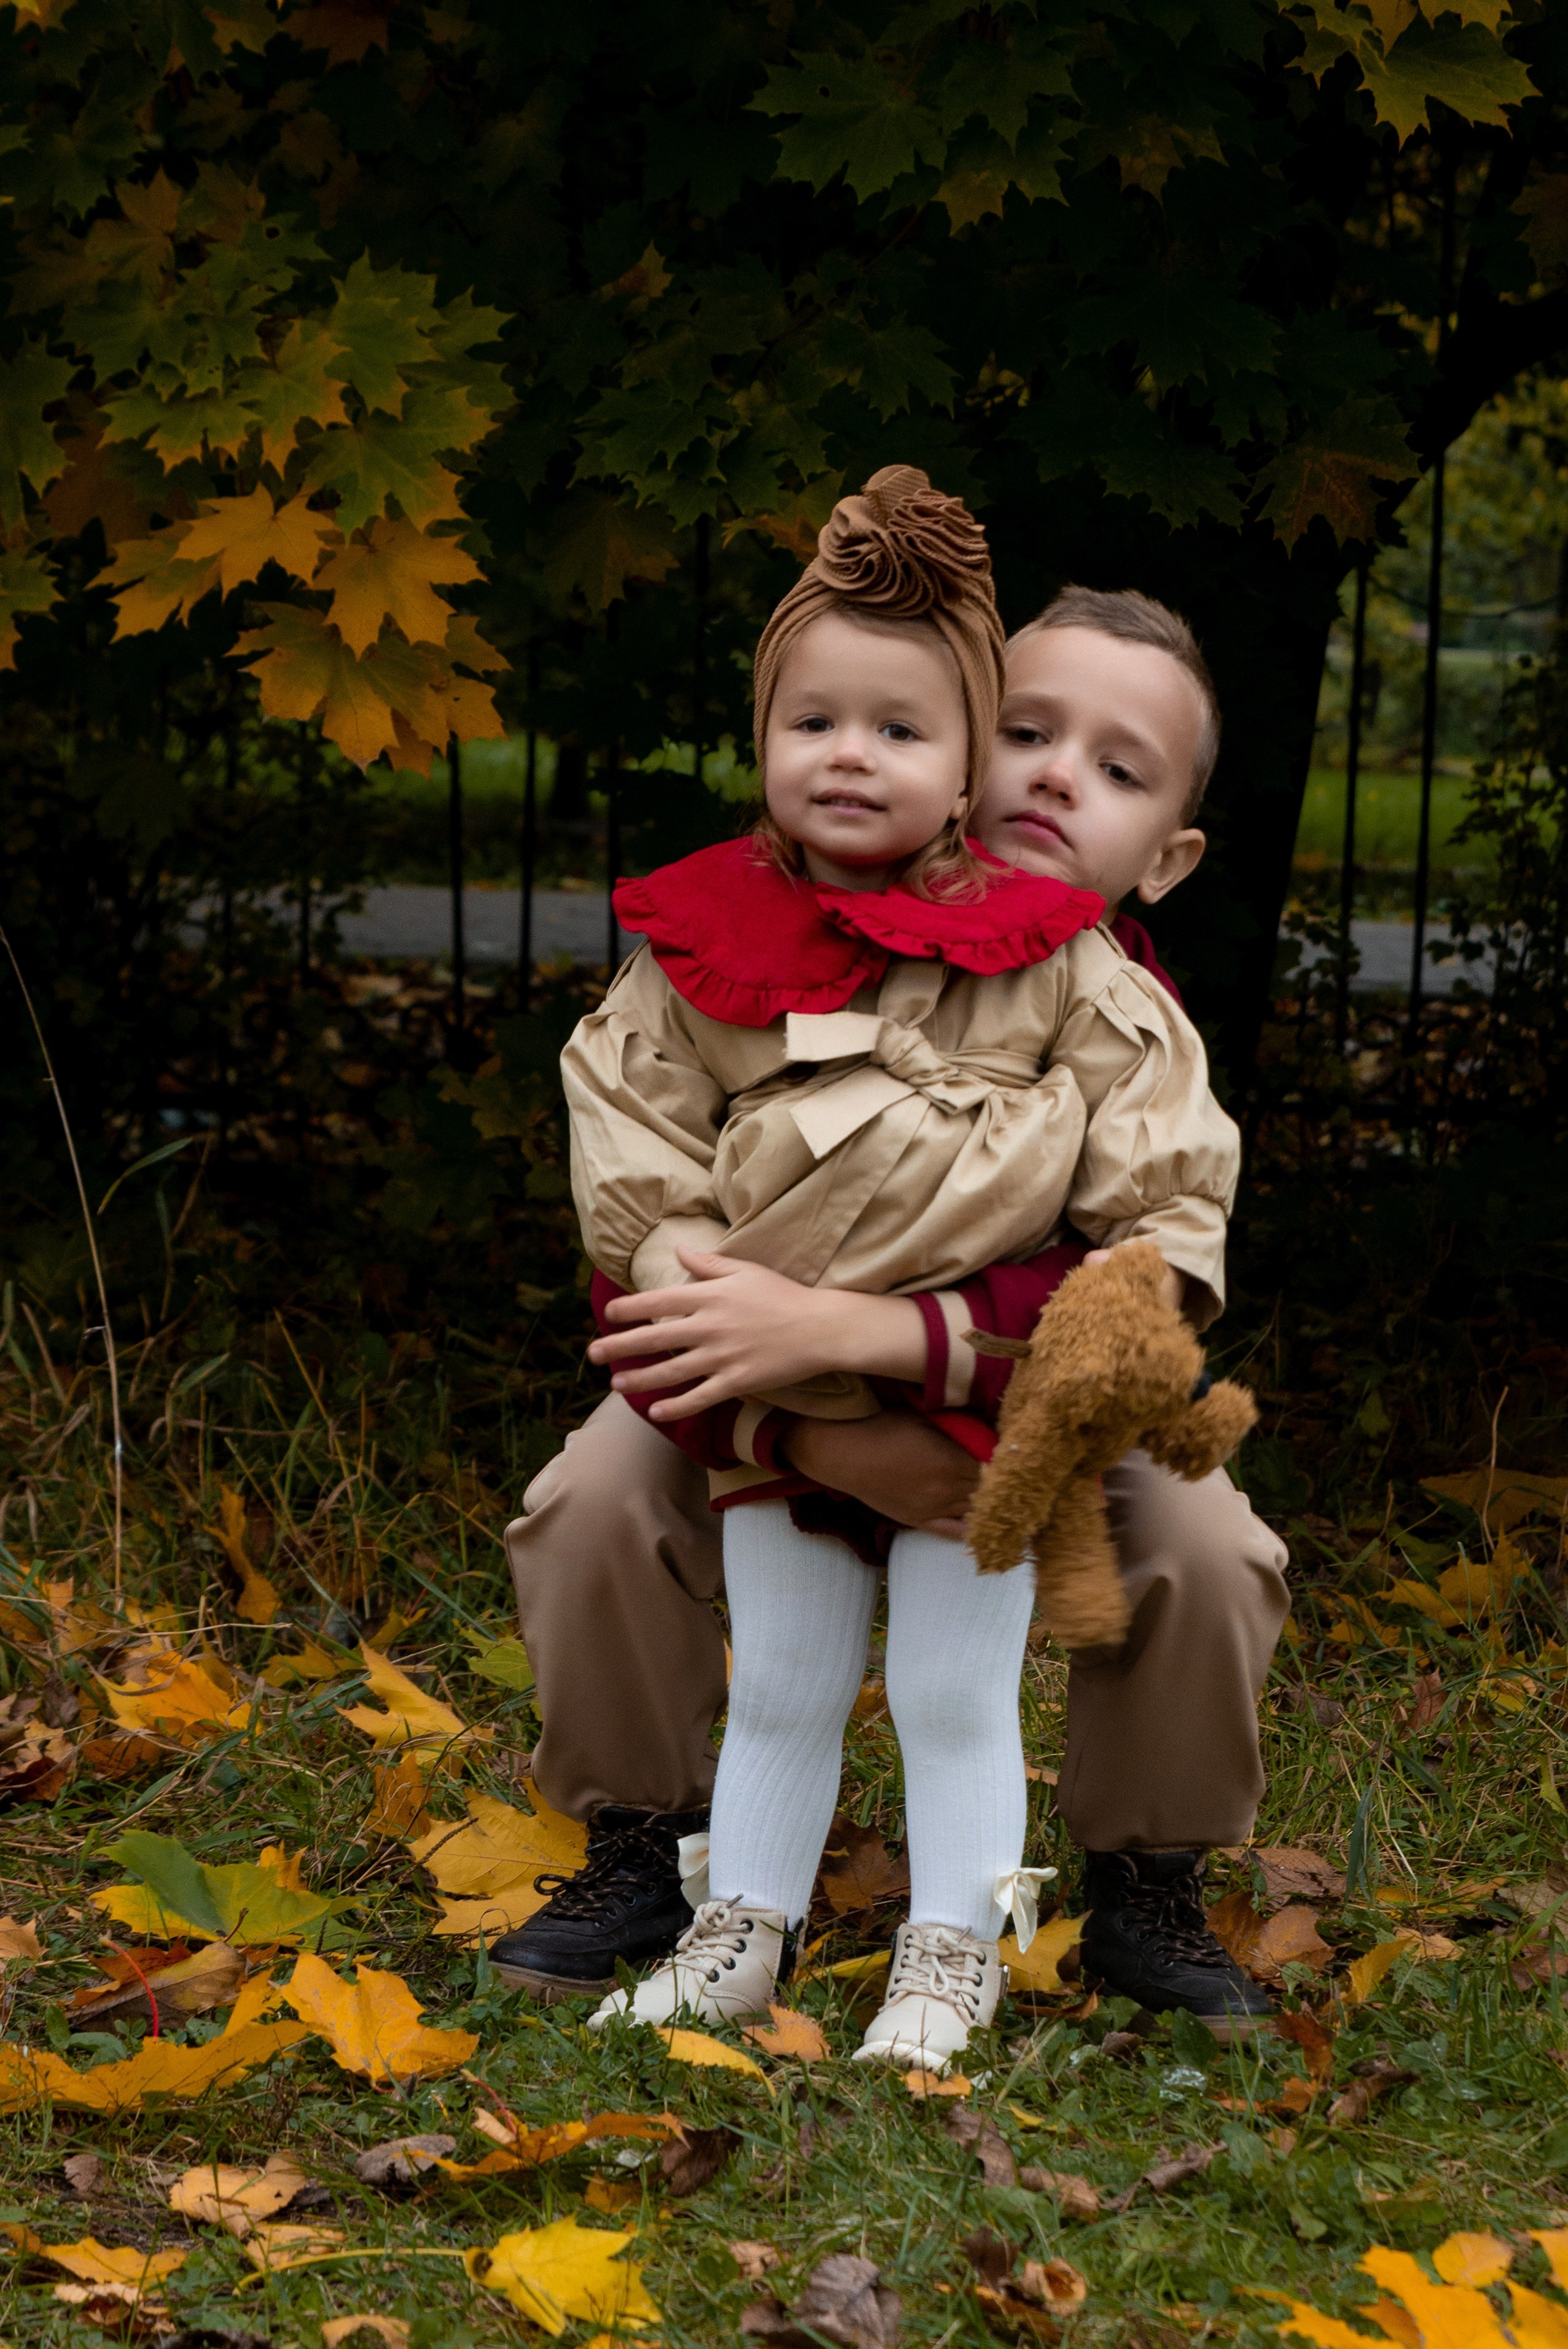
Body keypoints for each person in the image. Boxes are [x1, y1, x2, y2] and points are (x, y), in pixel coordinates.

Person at [496, 470, 1287, 2063]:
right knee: (590, 1501)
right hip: (746, 1399)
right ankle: (641, 1850)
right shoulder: (755, 927)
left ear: (1168, 854)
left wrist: (901, 1344)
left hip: (1023, 1420)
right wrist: (796, 1413)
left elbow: (1147, 1268)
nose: (1058, 776)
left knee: (1204, 1546)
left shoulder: (1105, 1003)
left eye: (1116, 767)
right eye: (1029, 729)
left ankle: (1139, 1872)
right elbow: (645, 1221)